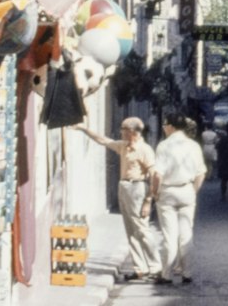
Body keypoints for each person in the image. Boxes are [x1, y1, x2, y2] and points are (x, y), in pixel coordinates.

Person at [82, 116, 159, 280]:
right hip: (124, 186)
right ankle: (140, 268)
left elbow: (154, 175)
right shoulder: (124, 146)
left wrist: (148, 200)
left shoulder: (144, 150)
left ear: (132, 132)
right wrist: (84, 129)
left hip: (137, 187)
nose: (120, 132)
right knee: (131, 231)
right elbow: (103, 140)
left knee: (142, 230)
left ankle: (155, 267)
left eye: (123, 129)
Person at [151, 110, 207, 285]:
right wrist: (193, 191)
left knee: (169, 235)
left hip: (167, 191)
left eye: (165, 125)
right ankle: (187, 273)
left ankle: (166, 274)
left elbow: (157, 174)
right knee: (186, 234)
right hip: (187, 190)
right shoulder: (194, 146)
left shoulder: (164, 146)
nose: (163, 128)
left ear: (171, 127)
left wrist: (154, 192)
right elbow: (201, 173)